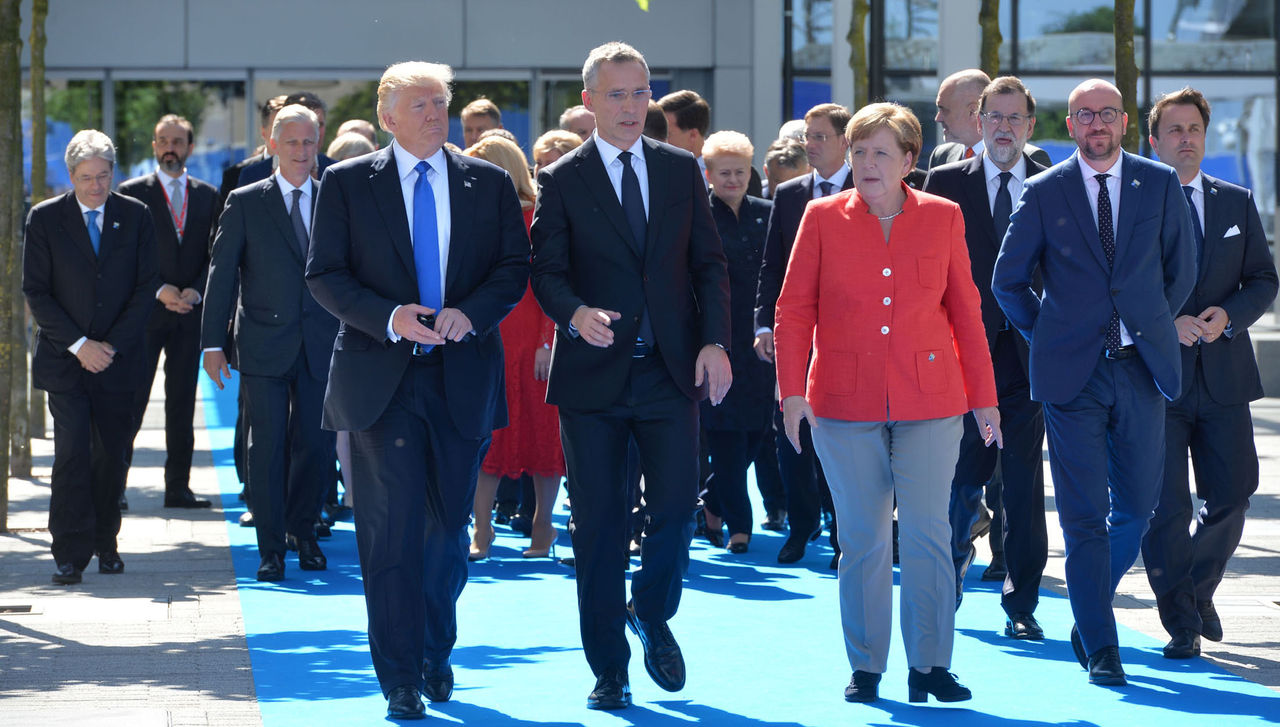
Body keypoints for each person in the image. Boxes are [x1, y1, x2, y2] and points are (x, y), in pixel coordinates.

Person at [306, 61, 528, 720]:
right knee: (390, 531)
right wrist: (391, 316)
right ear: (388, 115)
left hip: (462, 375)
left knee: (446, 531)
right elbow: (326, 273)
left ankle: (436, 647)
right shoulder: (347, 183)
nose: (435, 114)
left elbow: (513, 267)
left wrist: (474, 312)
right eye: (421, 104)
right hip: (383, 377)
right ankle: (400, 673)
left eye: (441, 103)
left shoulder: (486, 183)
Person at [776, 102, 1000, 705]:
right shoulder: (820, 217)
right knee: (864, 539)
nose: (866, 164)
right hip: (842, 402)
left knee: (928, 533)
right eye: (858, 152)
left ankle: (930, 665)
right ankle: (867, 664)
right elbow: (794, 310)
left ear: (908, 161)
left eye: (880, 153)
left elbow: (966, 312)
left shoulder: (943, 217)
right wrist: (792, 391)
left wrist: (985, 398)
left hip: (931, 396)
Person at [530, 41, 730, 711]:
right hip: (591, 380)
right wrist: (574, 312)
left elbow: (708, 265)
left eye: (640, 92)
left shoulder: (681, 171)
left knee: (676, 510)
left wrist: (714, 343)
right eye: (616, 94)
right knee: (599, 525)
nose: (631, 106)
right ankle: (609, 669)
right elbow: (546, 273)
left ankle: (648, 607)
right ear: (589, 102)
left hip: (670, 374)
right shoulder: (562, 179)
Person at [992, 78, 1196, 686]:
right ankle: (1104, 648)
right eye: (1085, 115)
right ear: (1070, 124)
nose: (1097, 124)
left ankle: (1086, 608)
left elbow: (1181, 270)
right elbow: (1008, 281)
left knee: (1138, 506)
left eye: (1107, 113)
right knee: (1083, 517)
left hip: (1140, 367)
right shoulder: (1044, 189)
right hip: (1071, 378)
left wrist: (1149, 322)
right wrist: (1049, 333)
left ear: (1126, 122)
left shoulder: (1157, 183)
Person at [1141, 86, 1278, 659]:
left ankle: (1195, 590)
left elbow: (1264, 280)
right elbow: (1120, 285)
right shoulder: (1132, 203)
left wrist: (1231, 316)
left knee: (1234, 494)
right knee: (1164, 507)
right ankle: (1181, 623)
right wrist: (1165, 321)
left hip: (1224, 377)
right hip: (1157, 381)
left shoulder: (1236, 200)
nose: (1186, 140)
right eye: (1174, 131)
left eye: (1193, 129)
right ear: (1153, 141)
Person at [922, 76, 1049, 638]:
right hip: (959, 358)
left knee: (1022, 484)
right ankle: (945, 580)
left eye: (1014, 117)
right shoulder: (945, 182)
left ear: (1030, 125)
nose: (1003, 127)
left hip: (1031, 360)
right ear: (979, 121)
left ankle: (1022, 605)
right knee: (958, 478)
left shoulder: (1053, 183)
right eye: (993, 117)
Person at [201, 104, 339, 582]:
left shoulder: (334, 197)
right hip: (262, 343)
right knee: (266, 446)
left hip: (322, 343)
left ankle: (304, 531)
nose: (301, 151)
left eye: (309, 141)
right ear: (273, 145)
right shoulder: (245, 200)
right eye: (293, 142)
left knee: (316, 446)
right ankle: (271, 547)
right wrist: (211, 344)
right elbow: (221, 277)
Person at [24, 129, 159, 585]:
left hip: (120, 360)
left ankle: (106, 542)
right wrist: (81, 345)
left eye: (103, 176)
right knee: (72, 453)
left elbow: (145, 289)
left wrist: (110, 346)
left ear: (113, 173)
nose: (96, 187)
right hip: (66, 361)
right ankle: (68, 551)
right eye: (86, 178)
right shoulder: (44, 219)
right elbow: (36, 292)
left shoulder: (136, 216)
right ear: (71, 176)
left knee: (111, 454)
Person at [754, 102, 851, 567]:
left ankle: (843, 533)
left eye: (819, 137)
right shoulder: (790, 193)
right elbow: (772, 267)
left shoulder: (870, 186)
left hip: (851, 337)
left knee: (841, 436)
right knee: (790, 433)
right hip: (796, 334)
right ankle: (800, 525)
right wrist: (763, 324)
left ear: (844, 140)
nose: (808, 145)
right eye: (806, 137)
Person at [465, 135, 565, 561]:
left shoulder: (537, 218)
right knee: (487, 439)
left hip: (533, 343)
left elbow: (551, 282)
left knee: (544, 441)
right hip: (490, 340)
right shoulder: (473, 218)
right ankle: (481, 529)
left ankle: (543, 527)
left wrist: (548, 340)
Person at [118, 114, 218, 510]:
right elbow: (124, 256)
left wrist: (195, 288)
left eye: (178, 141)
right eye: (163, 140)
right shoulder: (131, 193)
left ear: (190, 147)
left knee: (182, 404)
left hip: (189, 314)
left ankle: (178, 487)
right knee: (132, 400)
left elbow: (216, 252)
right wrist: (160, 290)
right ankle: (116, 485)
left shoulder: (209, 195)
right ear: (155, 147)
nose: (170, 147)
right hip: (144, 315)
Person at [698, 131, 774, 554]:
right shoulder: (696, 216)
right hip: (715, 337)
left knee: (756, 431)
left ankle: (711, 500)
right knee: (724, 432)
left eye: (740, 172)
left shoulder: (769, 213)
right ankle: (739, 526)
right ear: (708, 174)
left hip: (761, 338)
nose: (732, 179)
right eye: (724, 172)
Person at [930, 69, 1051, 169]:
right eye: (995, 116)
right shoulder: (941, 156)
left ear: (973, 111)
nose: (938, 118)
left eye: (944, 110)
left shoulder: (1032, 157)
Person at [238, 92, 335, 188]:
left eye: (319, 124)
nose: (314, 131)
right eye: (298, 124)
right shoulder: (252, 175)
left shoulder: (337, 172)